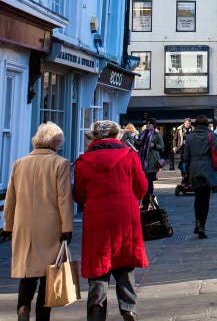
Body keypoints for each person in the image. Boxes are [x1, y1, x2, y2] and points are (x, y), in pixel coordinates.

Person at [73, 120, 147, 321]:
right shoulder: (129, 156)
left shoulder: (83, 161)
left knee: (98, 266)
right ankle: (128, 308)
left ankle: (96, 313)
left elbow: (79, 195)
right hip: (125, 216)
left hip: (96, 219)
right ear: (117, 135)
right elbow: (141, 188)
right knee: (125, 262)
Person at [2, 122, 73, 321]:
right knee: (48, 277)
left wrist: (8, 225)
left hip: (23, 226)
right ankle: (43, 316)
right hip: (50, 227)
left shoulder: (19, 163)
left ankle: (23, 309)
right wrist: (67, 228)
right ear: (56, 142)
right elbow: (64, 199)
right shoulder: (60, 164)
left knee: (28, 274)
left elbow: (11, 198)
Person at [183, 114, 217, 239]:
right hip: (208, 169)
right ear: (206, 124)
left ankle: (197, 221)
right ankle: (202, 226)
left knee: (198, 197)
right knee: (205, 199)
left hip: (194, 169)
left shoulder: (190, 137)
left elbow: (186, 156)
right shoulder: (211, 135)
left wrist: (187, 171)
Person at [137, 118, 164, 204]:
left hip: (152, 160)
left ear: (154, 125)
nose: (148, 125)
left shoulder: (157, 135)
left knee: (149, 180)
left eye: (150, 124)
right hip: (142, 159)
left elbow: (162, 146)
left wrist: (154, 145)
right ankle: (144, 197)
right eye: (147, 123)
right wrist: (138, 143)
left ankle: (149, 198)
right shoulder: (142, 134)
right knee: (143, 180)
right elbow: (139, 145)